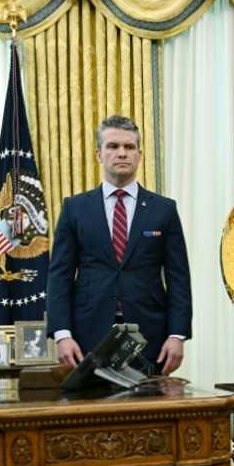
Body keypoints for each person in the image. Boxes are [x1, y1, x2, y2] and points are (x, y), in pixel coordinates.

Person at [47, 115, 192, 374]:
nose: (121, 153)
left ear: (139, 154)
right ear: (99, 154)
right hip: (86, 337)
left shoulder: (164, 209)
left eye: (129, 147)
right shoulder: (74, 208)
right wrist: (62, 334)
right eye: (113, 146)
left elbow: (179, 278)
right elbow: (59, 276)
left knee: (150, 410)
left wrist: (177, 335)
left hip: (150, 337)